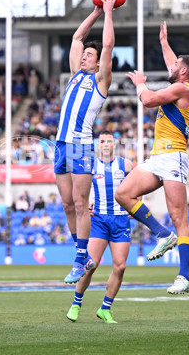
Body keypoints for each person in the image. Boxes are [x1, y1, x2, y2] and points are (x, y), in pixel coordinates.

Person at [116, 21, 189, 295]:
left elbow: (150, 100)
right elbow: (171, 68)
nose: (171, 66)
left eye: (176, 64)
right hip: (158, 157)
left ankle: (184, 276)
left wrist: (141, 85)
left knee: (180, 218)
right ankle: (162, 234)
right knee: (123, 193)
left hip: (174, 157)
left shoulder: (184, 89)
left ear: (184, 71)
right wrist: (165, 43)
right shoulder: (181, 84)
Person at [55, 0, 117, 284]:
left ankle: (81, 260)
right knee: (67, 204)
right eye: (83, 56)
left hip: (81, 146)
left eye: (88, 57)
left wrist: (108, 13)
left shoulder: (100, 81)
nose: (83, 57)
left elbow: (107, 45)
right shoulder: (74, 75)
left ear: (97, 64)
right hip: (60, 145)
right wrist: (93, 12)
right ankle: (82, 254)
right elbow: (77, 38)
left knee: (81, 203)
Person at [66, 131, 134, 324]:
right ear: (98, 144)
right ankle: (76, 303)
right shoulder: (90, 166)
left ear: (115, 144)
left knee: (120, 267)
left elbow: (138, 186)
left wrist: (136, 203)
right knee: (91, 264)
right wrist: (85, 202)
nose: (105, 144)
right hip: (99, 220)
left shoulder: (126, 165)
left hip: (121, 220)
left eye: (109, 141)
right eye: (102, 141)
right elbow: (78, 191)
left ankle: (105, 308)